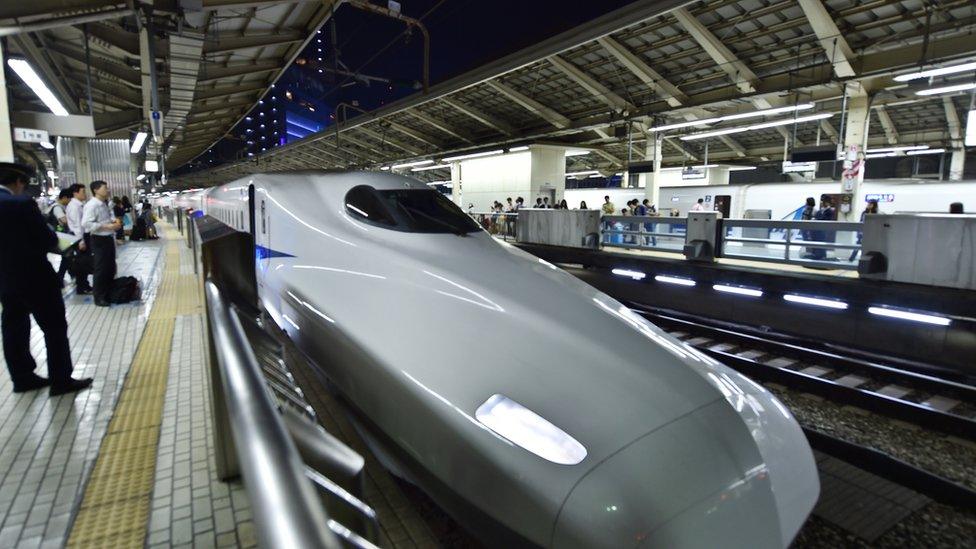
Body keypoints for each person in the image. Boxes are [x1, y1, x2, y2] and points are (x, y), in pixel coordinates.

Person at [0, 163, 93, 396]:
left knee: (13, 328)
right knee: (54, 327)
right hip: (34, 277)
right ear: (19, 182)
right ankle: (61, 381)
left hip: (5, 280)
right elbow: (46, 239)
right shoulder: (20, 203)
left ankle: (22, 378)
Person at [83, 181, 122, 307]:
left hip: (108, 239)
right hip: (99, 240)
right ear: (96, 190)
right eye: (105, 188)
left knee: (110, 268)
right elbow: (86, 224)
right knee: (101, 269)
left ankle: (107, 294)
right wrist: (108, 226)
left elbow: (105, 219)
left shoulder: (103, 204)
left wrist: (113, 221)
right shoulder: (92, 205)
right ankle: (99, 297)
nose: (107, 190)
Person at [65, 184, 92, 294]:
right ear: (75, 193)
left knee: (83, 262)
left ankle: (84, 285)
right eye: (82, 192)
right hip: (79, 237)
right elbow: (77, 226)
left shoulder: (79, 205)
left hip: (81, 236)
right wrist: (81, 241)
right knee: (81, 263)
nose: (84, 194)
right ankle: (82, 287)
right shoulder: (74, 206)